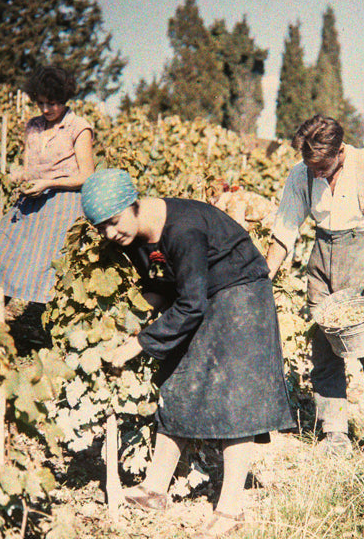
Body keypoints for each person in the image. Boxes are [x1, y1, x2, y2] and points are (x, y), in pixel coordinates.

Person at [80, 169, 294, 538]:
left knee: (235, 399)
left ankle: (231, 508)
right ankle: (155, 490)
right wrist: (132, 321)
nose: (109, 234)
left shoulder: (183, 230)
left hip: (242, 292)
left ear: (134, 205)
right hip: (201, 295)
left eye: (113, 222)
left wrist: (139, 343)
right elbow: (160, 286)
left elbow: (191, 304)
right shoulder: (133, 237)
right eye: (101, 228)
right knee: (175, 382)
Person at [265, 115, 364, 463]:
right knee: (324, 351)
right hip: (321, 256)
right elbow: (285, 230)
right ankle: (334, 433)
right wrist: (264, 275)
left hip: (362, 257)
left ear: (340, 152)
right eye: (310, 166)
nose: (315, 174)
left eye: (322, 168)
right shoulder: (302, 174)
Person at [0, 65, 94, 315]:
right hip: (31, 200)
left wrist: (48, 183)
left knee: (42, 267)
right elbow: (30, 169)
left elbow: (86, 176)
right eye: (41, 103)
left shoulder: (78, 127)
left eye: (52, 103)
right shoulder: (33, 126)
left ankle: (44, 327)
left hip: (62, 206)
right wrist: (14, 176)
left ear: (64, 99)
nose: (46, 109)